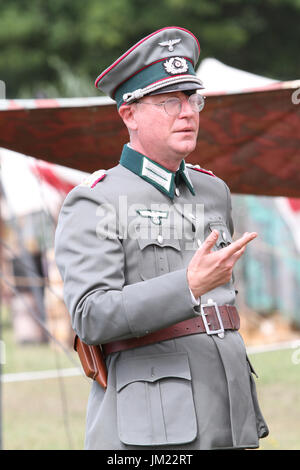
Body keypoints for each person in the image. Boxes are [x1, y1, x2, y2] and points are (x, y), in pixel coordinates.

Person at [55, 26, 269, 450]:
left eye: (193, 98)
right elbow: (90, 316)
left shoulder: (214, 191)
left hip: (229, 411)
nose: (188, 111)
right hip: (153, 427)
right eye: (169, 101)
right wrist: (187, 286)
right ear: (128, 113)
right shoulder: (96, 200)